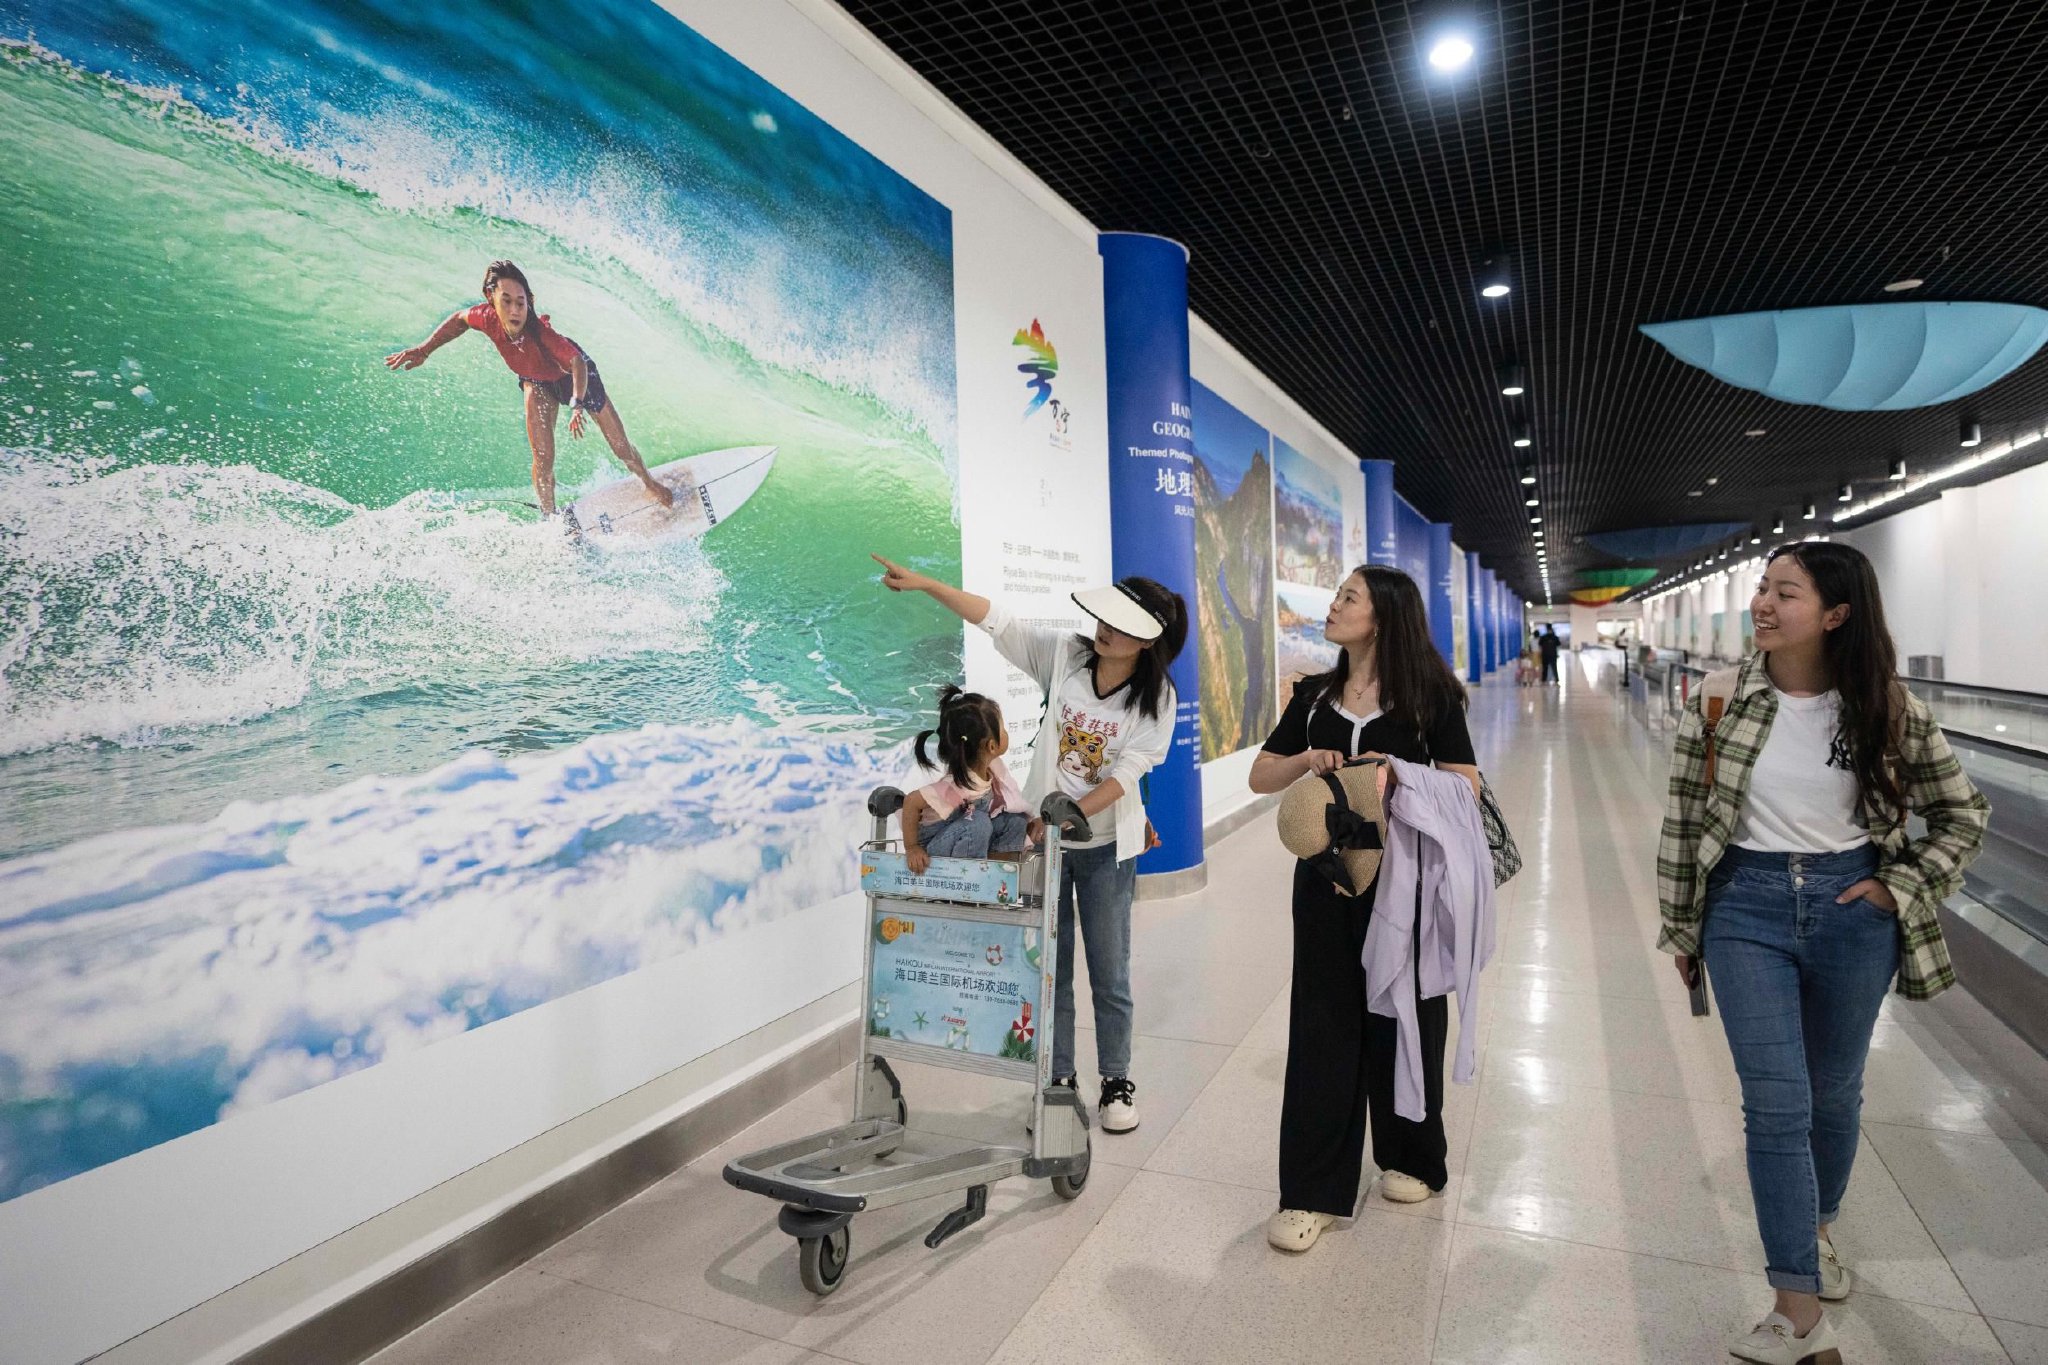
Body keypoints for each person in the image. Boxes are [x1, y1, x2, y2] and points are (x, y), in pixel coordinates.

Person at [1657, 541, 1989, 1364]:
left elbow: (1963, 813)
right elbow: (1684, 822)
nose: (1764, 604)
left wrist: (1898, 888)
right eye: (1762, 589)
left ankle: (1818, 1226)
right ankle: (1794, 1308)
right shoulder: (1720, 698)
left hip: (1852, 909)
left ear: (1836, 613)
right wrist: (1683, 928)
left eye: (1786, 592)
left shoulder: (1889, 708)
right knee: (1776, 1103)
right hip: (1746, 905)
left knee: (1834, 1095)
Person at [873, 554, 1186, 1134]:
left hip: (1103, 846)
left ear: (1146, 641)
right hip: (1044, 847)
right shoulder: (1067, 656)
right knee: (1052, 969)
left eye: (1120, 625)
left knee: (1110, 971)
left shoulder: (1156, 698)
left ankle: (1116, 1080)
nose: (1105, 629)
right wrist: (925, 583)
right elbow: (999, 621)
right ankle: (1059, 1078)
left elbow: (1126, 775)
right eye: (1105, 618)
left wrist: (1067, 817)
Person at [1248, 565, 1481, 1253]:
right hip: (1323, 879)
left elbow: (1466, 786)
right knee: (1322, 1019)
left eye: (1348, 596)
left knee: (1407, 1013)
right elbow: (1263, 773)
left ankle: (1412, 1154)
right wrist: (1308, 760)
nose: (1334, 603)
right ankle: (1311, 1192)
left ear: (1381, 616)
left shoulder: (1428, 696)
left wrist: (1397, 772)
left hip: (1406, 883)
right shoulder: (1315, 695)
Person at [385, 260, 675, 517]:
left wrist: (577, 403)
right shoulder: (485, 318)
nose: (514, 310)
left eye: (521, 303)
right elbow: (459, 320)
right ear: (491, 298)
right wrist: (425, 350)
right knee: (542, 457)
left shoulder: (541, 334)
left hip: (574, 377)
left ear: (530, 302)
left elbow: (576, 363)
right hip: (536, 381)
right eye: (506, 301)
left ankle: (650, 484)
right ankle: (550, 518)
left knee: (621, 447)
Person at [901, 685, 1041, 872]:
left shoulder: (990, 767)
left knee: (1014, 822)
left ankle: (998, 875)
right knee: (978, 824)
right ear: (991, 746)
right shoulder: (955, 787)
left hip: (963, 839)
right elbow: (911, 801)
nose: (1006, 733)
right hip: (935, 847)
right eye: (1002, 728)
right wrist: (912, 848)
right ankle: (974, 883)